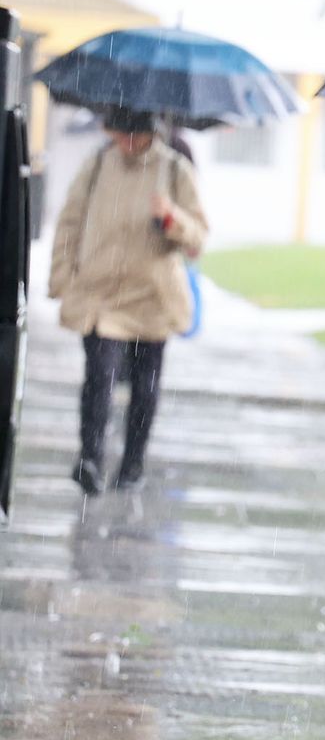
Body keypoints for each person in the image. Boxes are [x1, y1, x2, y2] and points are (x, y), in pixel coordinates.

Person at [48, 105, 208, 496]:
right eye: (118, 135)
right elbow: (70, 221)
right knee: (98, 378)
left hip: (152, 296)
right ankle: (89, 457)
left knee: (145, 386)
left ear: (149, 133)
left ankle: (133, 464)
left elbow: (197, 239)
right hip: (101, 292)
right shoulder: (98, 165)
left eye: (132, 136)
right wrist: (62, 278)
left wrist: (171, 217)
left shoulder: (173, 169)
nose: (125, 144)